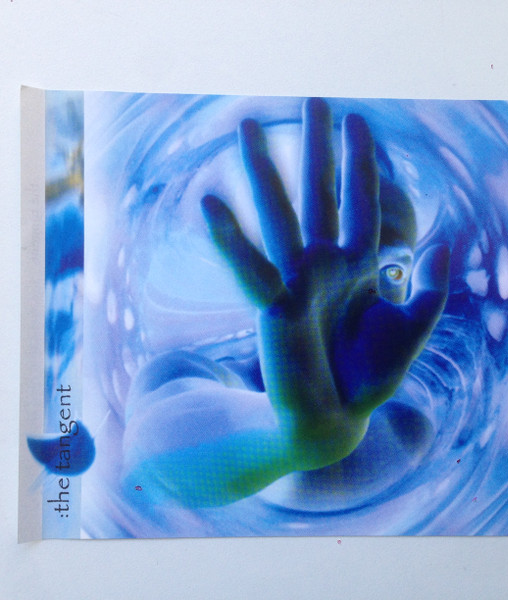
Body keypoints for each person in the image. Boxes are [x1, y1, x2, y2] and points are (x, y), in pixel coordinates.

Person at [122, 98, 450, 508]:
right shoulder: (185, 372)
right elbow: (146, 462)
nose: (358, 290)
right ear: (269, 260)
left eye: (394, 271)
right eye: (324, 252)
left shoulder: (406, 427)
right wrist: (285, 437)